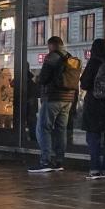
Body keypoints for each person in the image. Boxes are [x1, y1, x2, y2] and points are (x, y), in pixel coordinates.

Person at [30, 37, 77, 173]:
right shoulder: (70, 57)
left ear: (51, 45)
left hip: (53, 98)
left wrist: (37, 78)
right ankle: (58, 161)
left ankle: (45, 161)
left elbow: (44, 77)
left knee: (44, 128)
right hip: (67, 99)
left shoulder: (52, 57)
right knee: (61, 130)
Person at [80, 39, 105, 180]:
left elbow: (84, 83)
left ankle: (95, 169)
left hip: (94, 105)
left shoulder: (93, 63)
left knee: (93, 138)